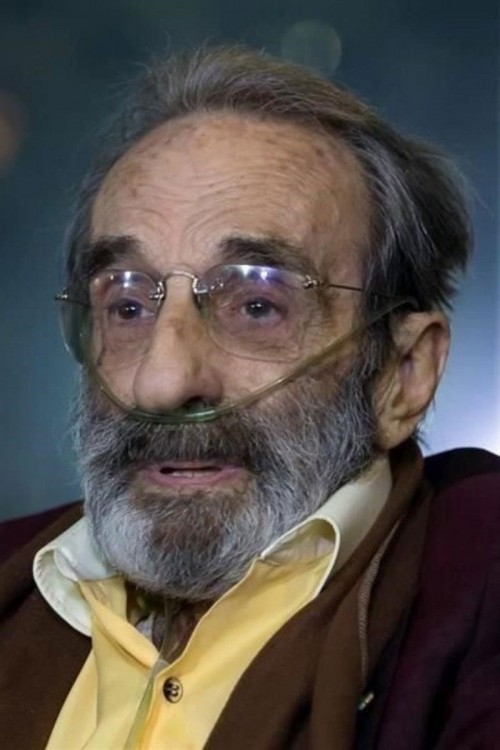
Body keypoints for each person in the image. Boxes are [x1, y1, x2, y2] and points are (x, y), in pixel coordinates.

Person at [1, 46, 499, 750]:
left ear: (404, 372)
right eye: (128, 306)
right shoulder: (15, 575)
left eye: (258, 305)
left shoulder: (479, 591)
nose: (163, 382)